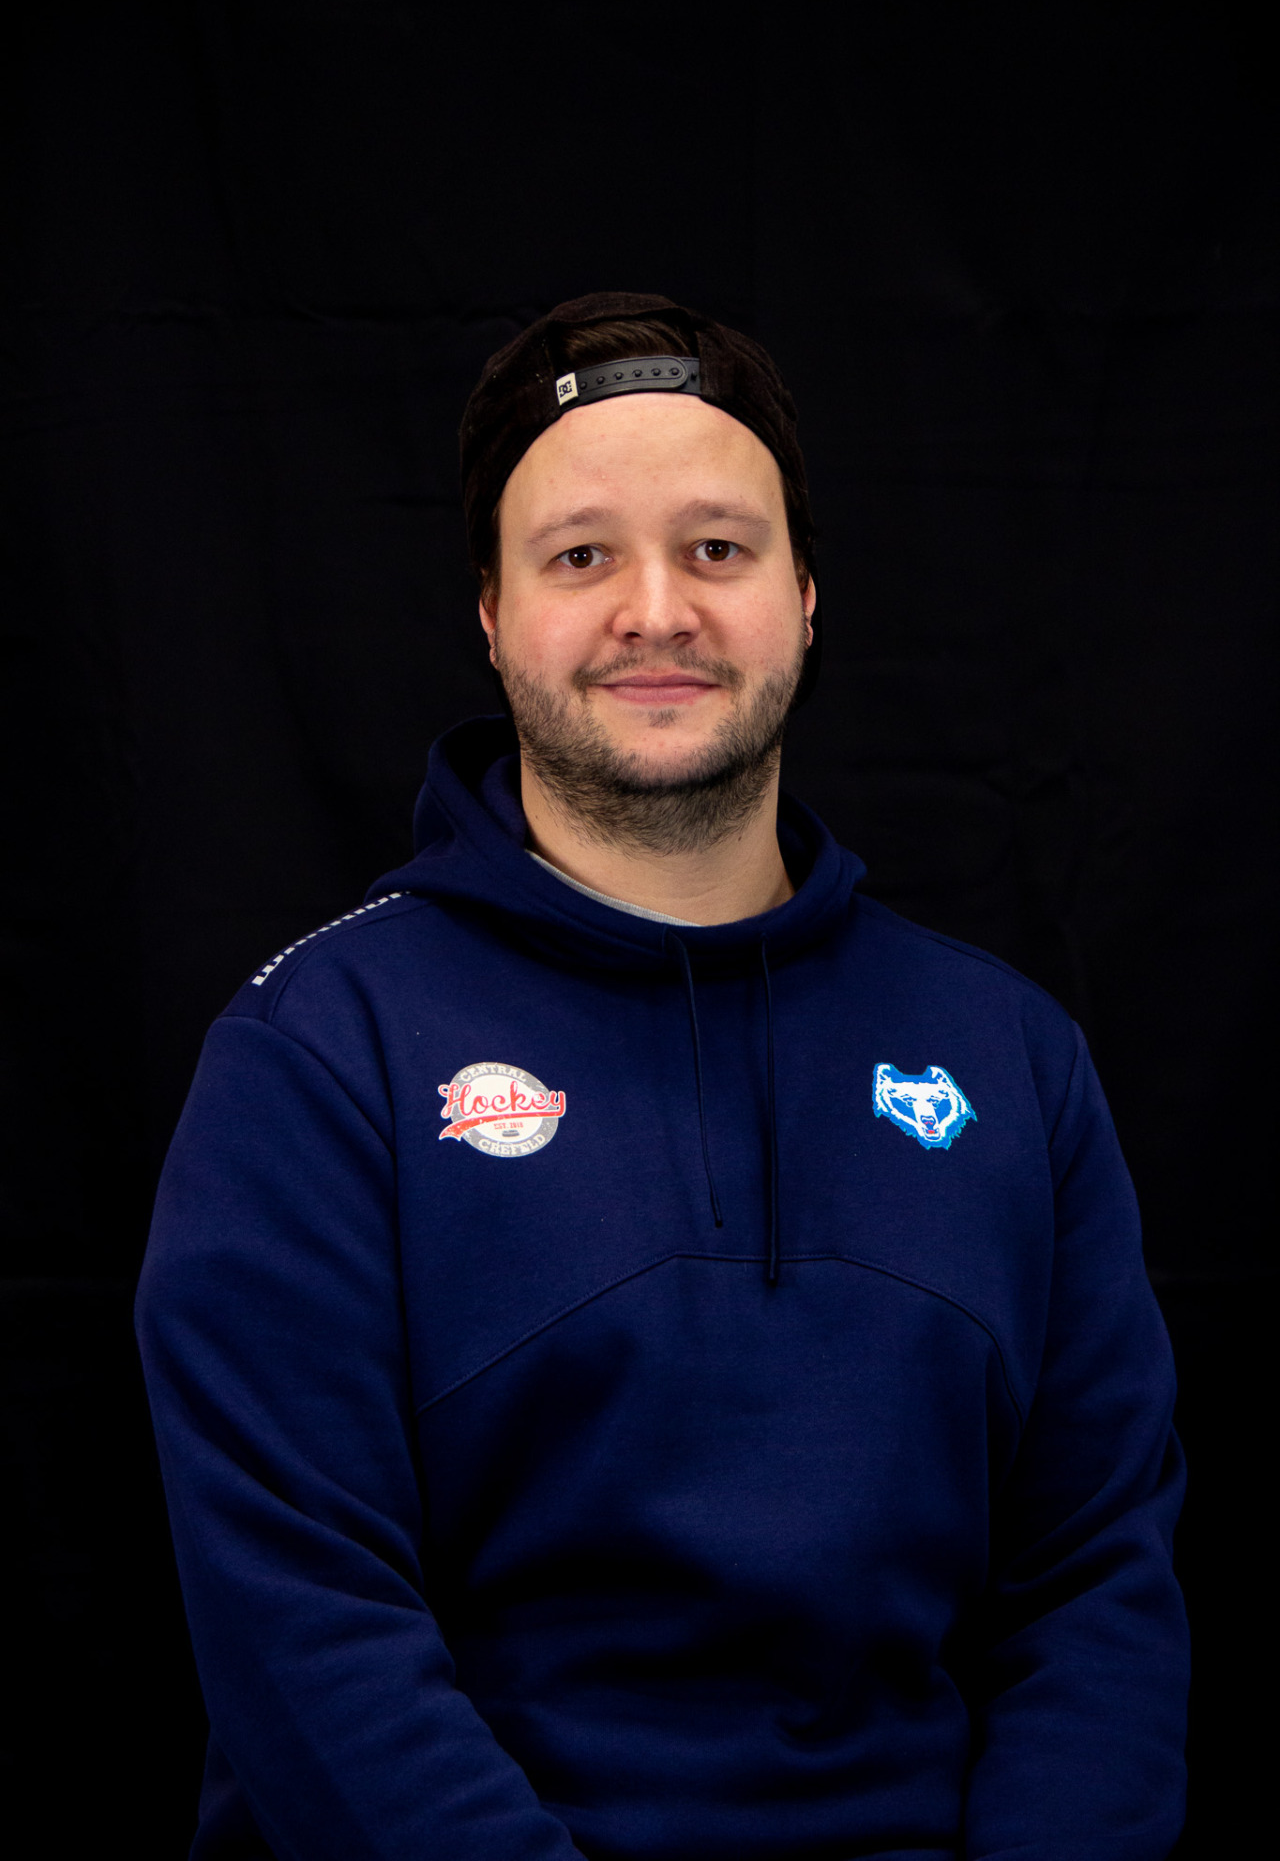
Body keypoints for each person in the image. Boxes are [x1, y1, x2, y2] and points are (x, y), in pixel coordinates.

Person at [137, 291, 1189, 1860]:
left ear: (805, 597)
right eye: (580, 557)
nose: (656, 610)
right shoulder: (318, 1054)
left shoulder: (1009, 1055)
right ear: (491, 613)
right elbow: (307, 1635)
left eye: (715, 548)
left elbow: (1096, 1587)